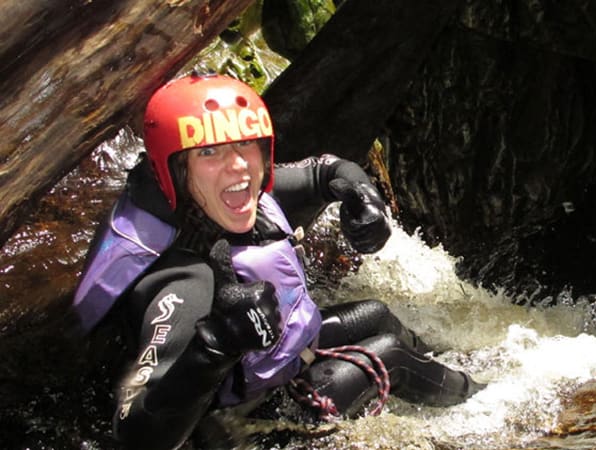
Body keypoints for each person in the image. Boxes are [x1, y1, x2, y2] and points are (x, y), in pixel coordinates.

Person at [72, 73, 483, 450]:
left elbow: (329, 170)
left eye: (246, 145)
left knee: (375, 315)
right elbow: (136, 435)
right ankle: (487, 395)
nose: (238, 166)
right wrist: (217, 344)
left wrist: (364, 198)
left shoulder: (228, 193)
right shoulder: (180, 280)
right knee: (389, 354)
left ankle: (454, 360)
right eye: (210, 152)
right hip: (243, 426)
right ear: (176, 168)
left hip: (277, 368)